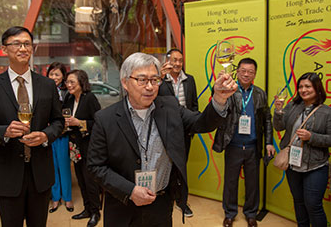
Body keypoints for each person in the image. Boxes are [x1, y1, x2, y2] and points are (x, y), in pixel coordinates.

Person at [87, 52, 237, 226]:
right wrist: (130, 190)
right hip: (123, 205)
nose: (150, 87)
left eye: (155, 80)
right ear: (125, 82)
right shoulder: (106, 119)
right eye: (142, 80)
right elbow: (95, 166)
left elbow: (201, 123)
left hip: (161, 204)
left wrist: (219, 98)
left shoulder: (170, 107)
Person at [0, 26, 64, 227]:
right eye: (16, 44)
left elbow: (59, 122)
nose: (23, 48)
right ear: (4, 49)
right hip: (8, 174)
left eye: (27, 44)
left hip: (40, 173)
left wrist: (45, 135)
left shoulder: (47, 85)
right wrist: (3, 131)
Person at [213, 58, 275, 227]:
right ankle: (230, 214)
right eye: (243, 70)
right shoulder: (230, 91)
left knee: (253, 184)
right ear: (237, 71)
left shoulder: (260, 93)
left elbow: (267, 120)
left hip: (253, 146)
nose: (246, 74)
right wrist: (220, 88)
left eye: (251, 71)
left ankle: (251, 214)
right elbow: (218, 102)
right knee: (230, 183)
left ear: (255, 73)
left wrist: (269, 142)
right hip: (233, 145)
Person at [273, 72, 331, 227]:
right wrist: (278, 111)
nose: (303, 90)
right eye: (301, 86)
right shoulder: (293, 106)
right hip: (292, 164)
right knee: (299, 202)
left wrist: (312, 137)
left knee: (313, 205)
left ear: (317, 88)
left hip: (315, 166)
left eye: (308, 86)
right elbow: (279, 126)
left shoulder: (328, 112)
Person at [159, 48, 198, 217]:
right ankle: (168, 198)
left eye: (180, 60)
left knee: (181, 168)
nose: (177, 63)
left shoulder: (189, 80)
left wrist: (192, 128)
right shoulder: (161, 81)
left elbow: (194, 105)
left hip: (184, 131)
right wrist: (159, 78)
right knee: (168, 166)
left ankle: (182, 202)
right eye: (174, 60)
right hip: (166, 132)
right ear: (167, 61)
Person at [63, 70, 101, 227]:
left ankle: (95, 212)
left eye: (72, 82)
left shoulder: (90, 98)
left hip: (89, 145)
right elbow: (64, 117)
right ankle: (87, 209)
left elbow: (99, 123)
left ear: (81, 83)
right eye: (67, 82)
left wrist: (79, 123)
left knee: (90, 180)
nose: (69, 85)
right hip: (74, 145)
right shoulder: (69, 98)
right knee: (80, 178)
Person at [46, 62, 74, 213]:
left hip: (63, 135)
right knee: (52, 167)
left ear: (63, 76)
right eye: (51, 74)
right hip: (49, 134)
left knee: (64, 167)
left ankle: (67, 198)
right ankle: (55, 198)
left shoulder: (67, 93)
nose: (54, 77)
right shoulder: (43, 90)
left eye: (57, 74)